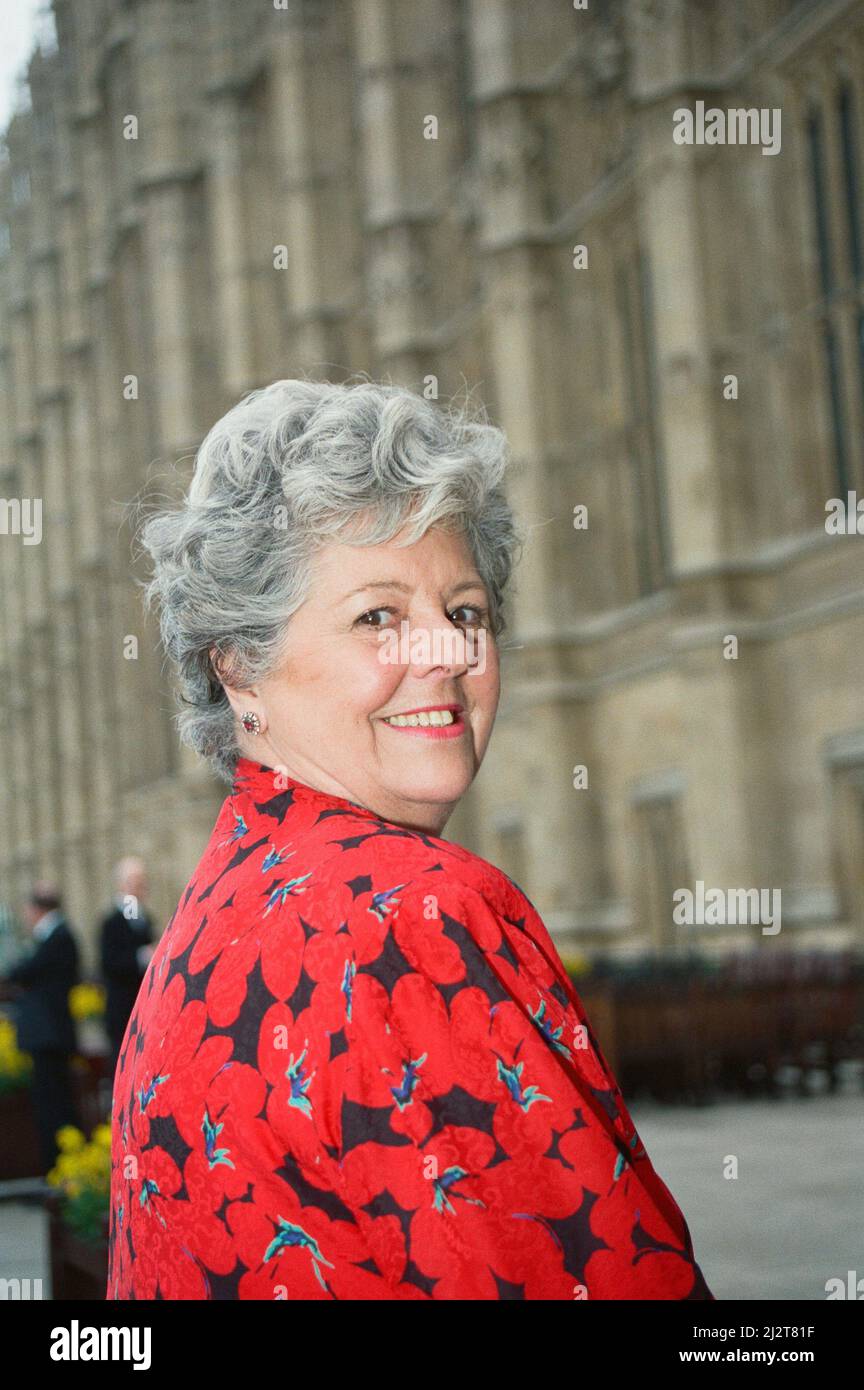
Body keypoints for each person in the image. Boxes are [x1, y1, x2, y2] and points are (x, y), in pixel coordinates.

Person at [106, 378, 714, 1300]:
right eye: (378, 617)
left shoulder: (219, 910)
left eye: (465, 610)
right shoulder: (409, 914)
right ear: (240, 669)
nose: (448, 653)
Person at [1, 884, 80, 1172]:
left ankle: (59, 1173)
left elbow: (23, 971)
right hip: (46, 1036)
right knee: (49, 1104)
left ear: (37, 909)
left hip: (50, 1035)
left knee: (55, 1106)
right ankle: (56, 1170)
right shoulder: (50, 937)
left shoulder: (58, 937)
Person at [98, 856, 155, 1083]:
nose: (140, 887)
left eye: (142, 882)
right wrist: (141, 956)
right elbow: (110, 962)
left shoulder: (141, 916)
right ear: (122, 884)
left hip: (142, 1006)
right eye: (134, 882)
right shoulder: (113, 921)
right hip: (122, 1008)